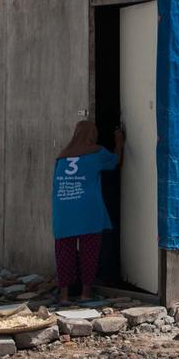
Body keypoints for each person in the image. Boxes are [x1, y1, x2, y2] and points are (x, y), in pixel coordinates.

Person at [52, 120, 123, 303]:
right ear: (92, 134)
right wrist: (119, 142)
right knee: (89, 251)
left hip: (63, 211)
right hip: (88, 210)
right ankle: (85, 293)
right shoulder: (97, 152)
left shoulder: (61, 156)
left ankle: (64, 296)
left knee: (64, 253)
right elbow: (115, 161)